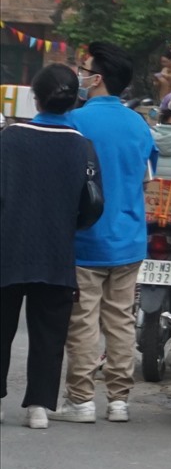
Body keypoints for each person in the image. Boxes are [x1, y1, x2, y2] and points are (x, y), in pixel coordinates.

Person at [55, 42, 156, 424]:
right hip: (129, 238)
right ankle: (119, 401)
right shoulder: (140, 125)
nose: (79, 75)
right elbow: (146, 179)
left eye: (84, 69)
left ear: (96, 78)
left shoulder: (74, 122)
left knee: (82, 320)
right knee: (121, 320)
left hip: (85, 240)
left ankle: (81, 400)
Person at [0, 65, 103, 429]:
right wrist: (67, 227)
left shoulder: (8, 138)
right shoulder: (82, 145)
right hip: (57, 251)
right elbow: (93, 204)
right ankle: (39, 408)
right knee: (48, 332)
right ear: (74, 101)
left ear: (35, 97)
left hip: (7, 248)